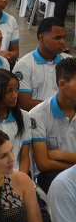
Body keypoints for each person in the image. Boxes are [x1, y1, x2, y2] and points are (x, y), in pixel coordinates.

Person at [31, 57, 76, 193]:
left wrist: (58, 154)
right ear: (62, 84)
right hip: (51, 175)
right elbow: (43, 164)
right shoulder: (38, 115)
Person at [13, 17, 69, 112]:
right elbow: (25, 104)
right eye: (57, 38)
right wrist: (62, 106)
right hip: (35, 120)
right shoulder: (24, 65)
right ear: (41, 37)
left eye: (64, 37)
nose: (63, 42)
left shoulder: (68, 62)